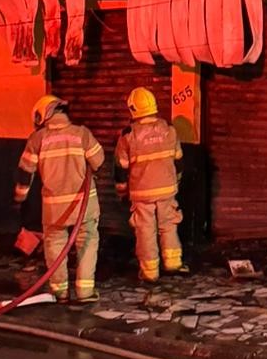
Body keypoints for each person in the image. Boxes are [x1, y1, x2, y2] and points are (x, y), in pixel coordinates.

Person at [13, 95, 105, 305]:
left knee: (55, 246)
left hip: (54, 209)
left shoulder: (37, 139)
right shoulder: (81, 134)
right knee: (87, 243)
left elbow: (25, 173)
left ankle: (60, 292)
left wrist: (20, 197)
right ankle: (85, 292)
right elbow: (99, 161)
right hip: (84, 205)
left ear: (44, 115)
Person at [114, 87, 187, 285]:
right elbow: (179, 161)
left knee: (145, 230)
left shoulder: (128, 135)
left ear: (133, 109)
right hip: (167, 188)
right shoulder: (169, 129)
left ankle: (150, 272)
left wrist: (121, 192)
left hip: (142, 192)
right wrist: (175, 181)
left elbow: (120, 169)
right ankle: (173, 263)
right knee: (168, 226)